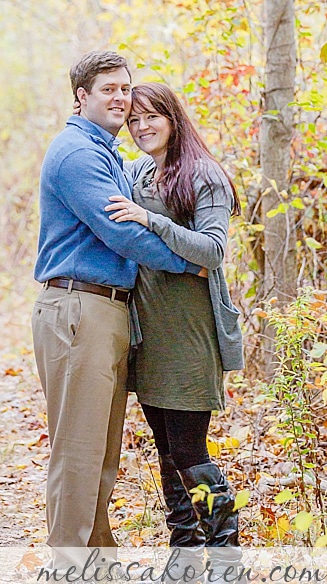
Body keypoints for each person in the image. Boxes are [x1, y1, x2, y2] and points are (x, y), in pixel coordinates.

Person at [31, 51, 205, 568]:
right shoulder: (76, 154)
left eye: (125, 88)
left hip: (103, 312)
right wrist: (187, 262)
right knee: (77, 455)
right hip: (77, 309)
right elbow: (121, 231)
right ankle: (68, 567)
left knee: (101, 454)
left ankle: (98, 565)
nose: (121, 98)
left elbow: (147, 182)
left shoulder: (104, 151)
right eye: (108, 89)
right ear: (81, 96)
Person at [104, 82, 244, 554]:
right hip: (149, 332)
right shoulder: (141, 170)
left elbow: (213, 250)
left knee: (188, 450)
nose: (141, 127)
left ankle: (225, 548)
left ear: (172, 118)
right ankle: (183, 546)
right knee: (167, 452)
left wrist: (150, 221)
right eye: (134, 120)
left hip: (190, 333)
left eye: (151, 117)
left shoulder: (204, 175)